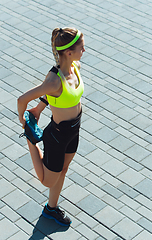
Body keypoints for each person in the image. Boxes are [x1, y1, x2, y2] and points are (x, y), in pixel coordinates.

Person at [17, 27, 85, 226]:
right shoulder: (54, 80)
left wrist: (39, 108)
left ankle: (51, 208)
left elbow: (57, 96)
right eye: (82, 48)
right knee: (47, 181)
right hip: (58, 134)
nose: (84, 51)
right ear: (69, 52)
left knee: (63, 170)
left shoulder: (75, 67)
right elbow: (22, 99)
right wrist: (24, 119)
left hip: (74, 129)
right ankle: (31, 140)